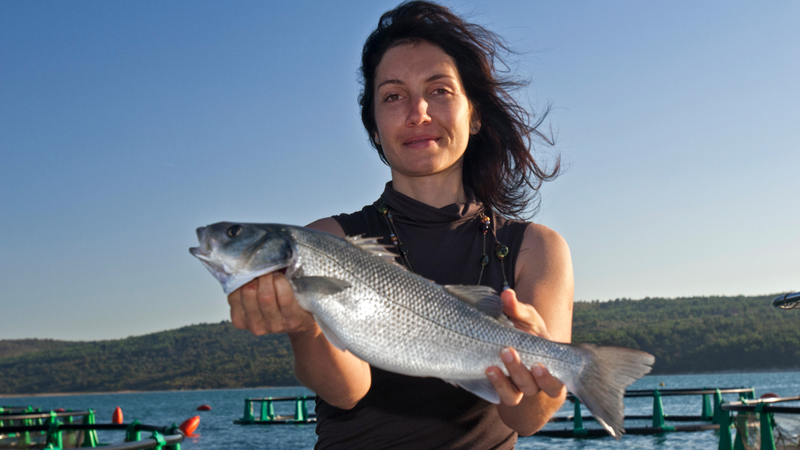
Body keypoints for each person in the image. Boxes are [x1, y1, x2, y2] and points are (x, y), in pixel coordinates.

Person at [226, 1, 573, 448]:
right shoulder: (328, 240)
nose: (418, 112)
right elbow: (346, 392)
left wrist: (551, 374)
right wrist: (304, 326)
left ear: (476, 114)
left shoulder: (536, 248)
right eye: (393, 95)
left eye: (440, 90)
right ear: (373, 128)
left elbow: (527, 420)